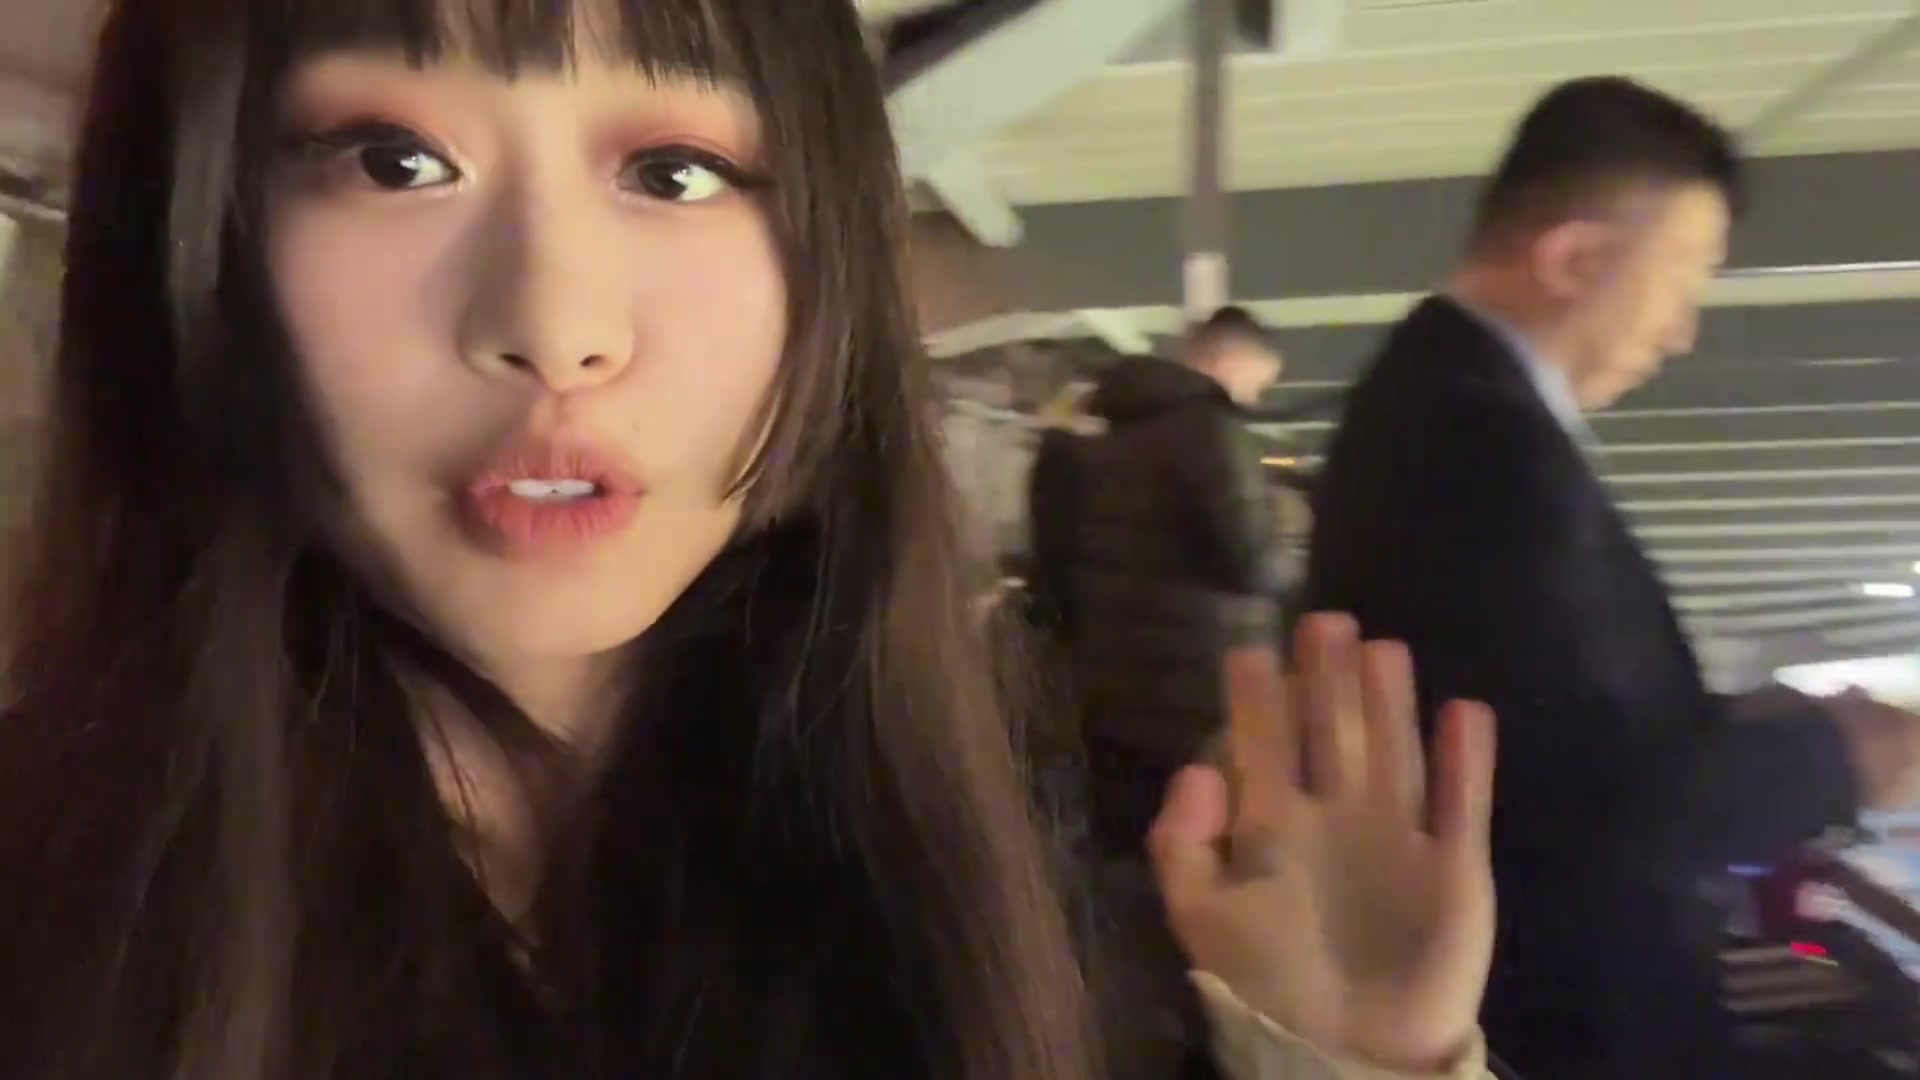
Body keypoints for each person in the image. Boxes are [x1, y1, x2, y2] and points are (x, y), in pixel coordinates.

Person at [0, 1, 1502, 1078]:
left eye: (675, 173)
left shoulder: (1032, 901)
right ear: (193, 233)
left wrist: (1343, 1056)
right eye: (393, 159)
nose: (557, 325)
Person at [1305, 75, 1920, 1078]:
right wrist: (1847, 753)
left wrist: (1753, 721)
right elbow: (1609, 811)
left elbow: (1560, 732)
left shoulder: (1450, 410)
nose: (1682, 332)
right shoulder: (1480, 451)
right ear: (1575, 259)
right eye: (1686, 281)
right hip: (1566, 1025)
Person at [1028, 309, 1287, 858]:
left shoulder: (1097, 434)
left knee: (1127, 850)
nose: (1256, 398)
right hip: (1199, 696)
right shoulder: (1212, 430)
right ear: (1229, 358)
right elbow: (1255, 563)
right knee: (1199, 848)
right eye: (1259, 382)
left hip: (1108, 693)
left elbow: (1057, 573)